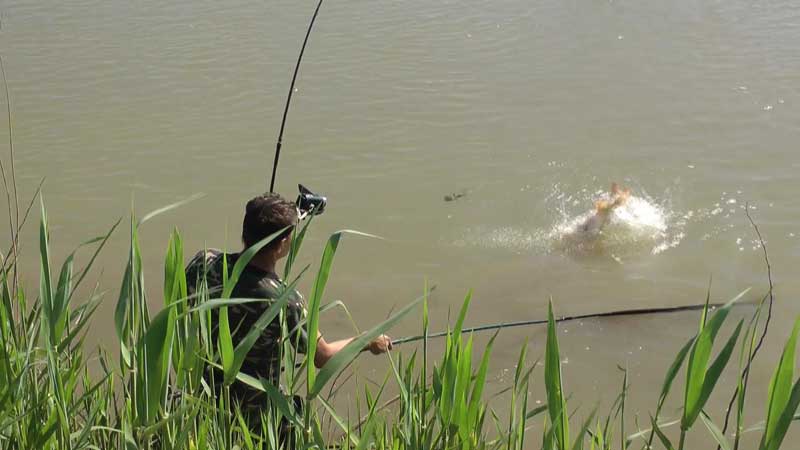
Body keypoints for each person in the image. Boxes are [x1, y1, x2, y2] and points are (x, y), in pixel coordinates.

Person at [184, 192, 392, 424]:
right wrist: (368, 340)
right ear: (282, 243)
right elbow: (323, 356)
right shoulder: (284, 300)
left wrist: (293, 215)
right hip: (258, 416)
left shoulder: (203, 263)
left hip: (205, 399)